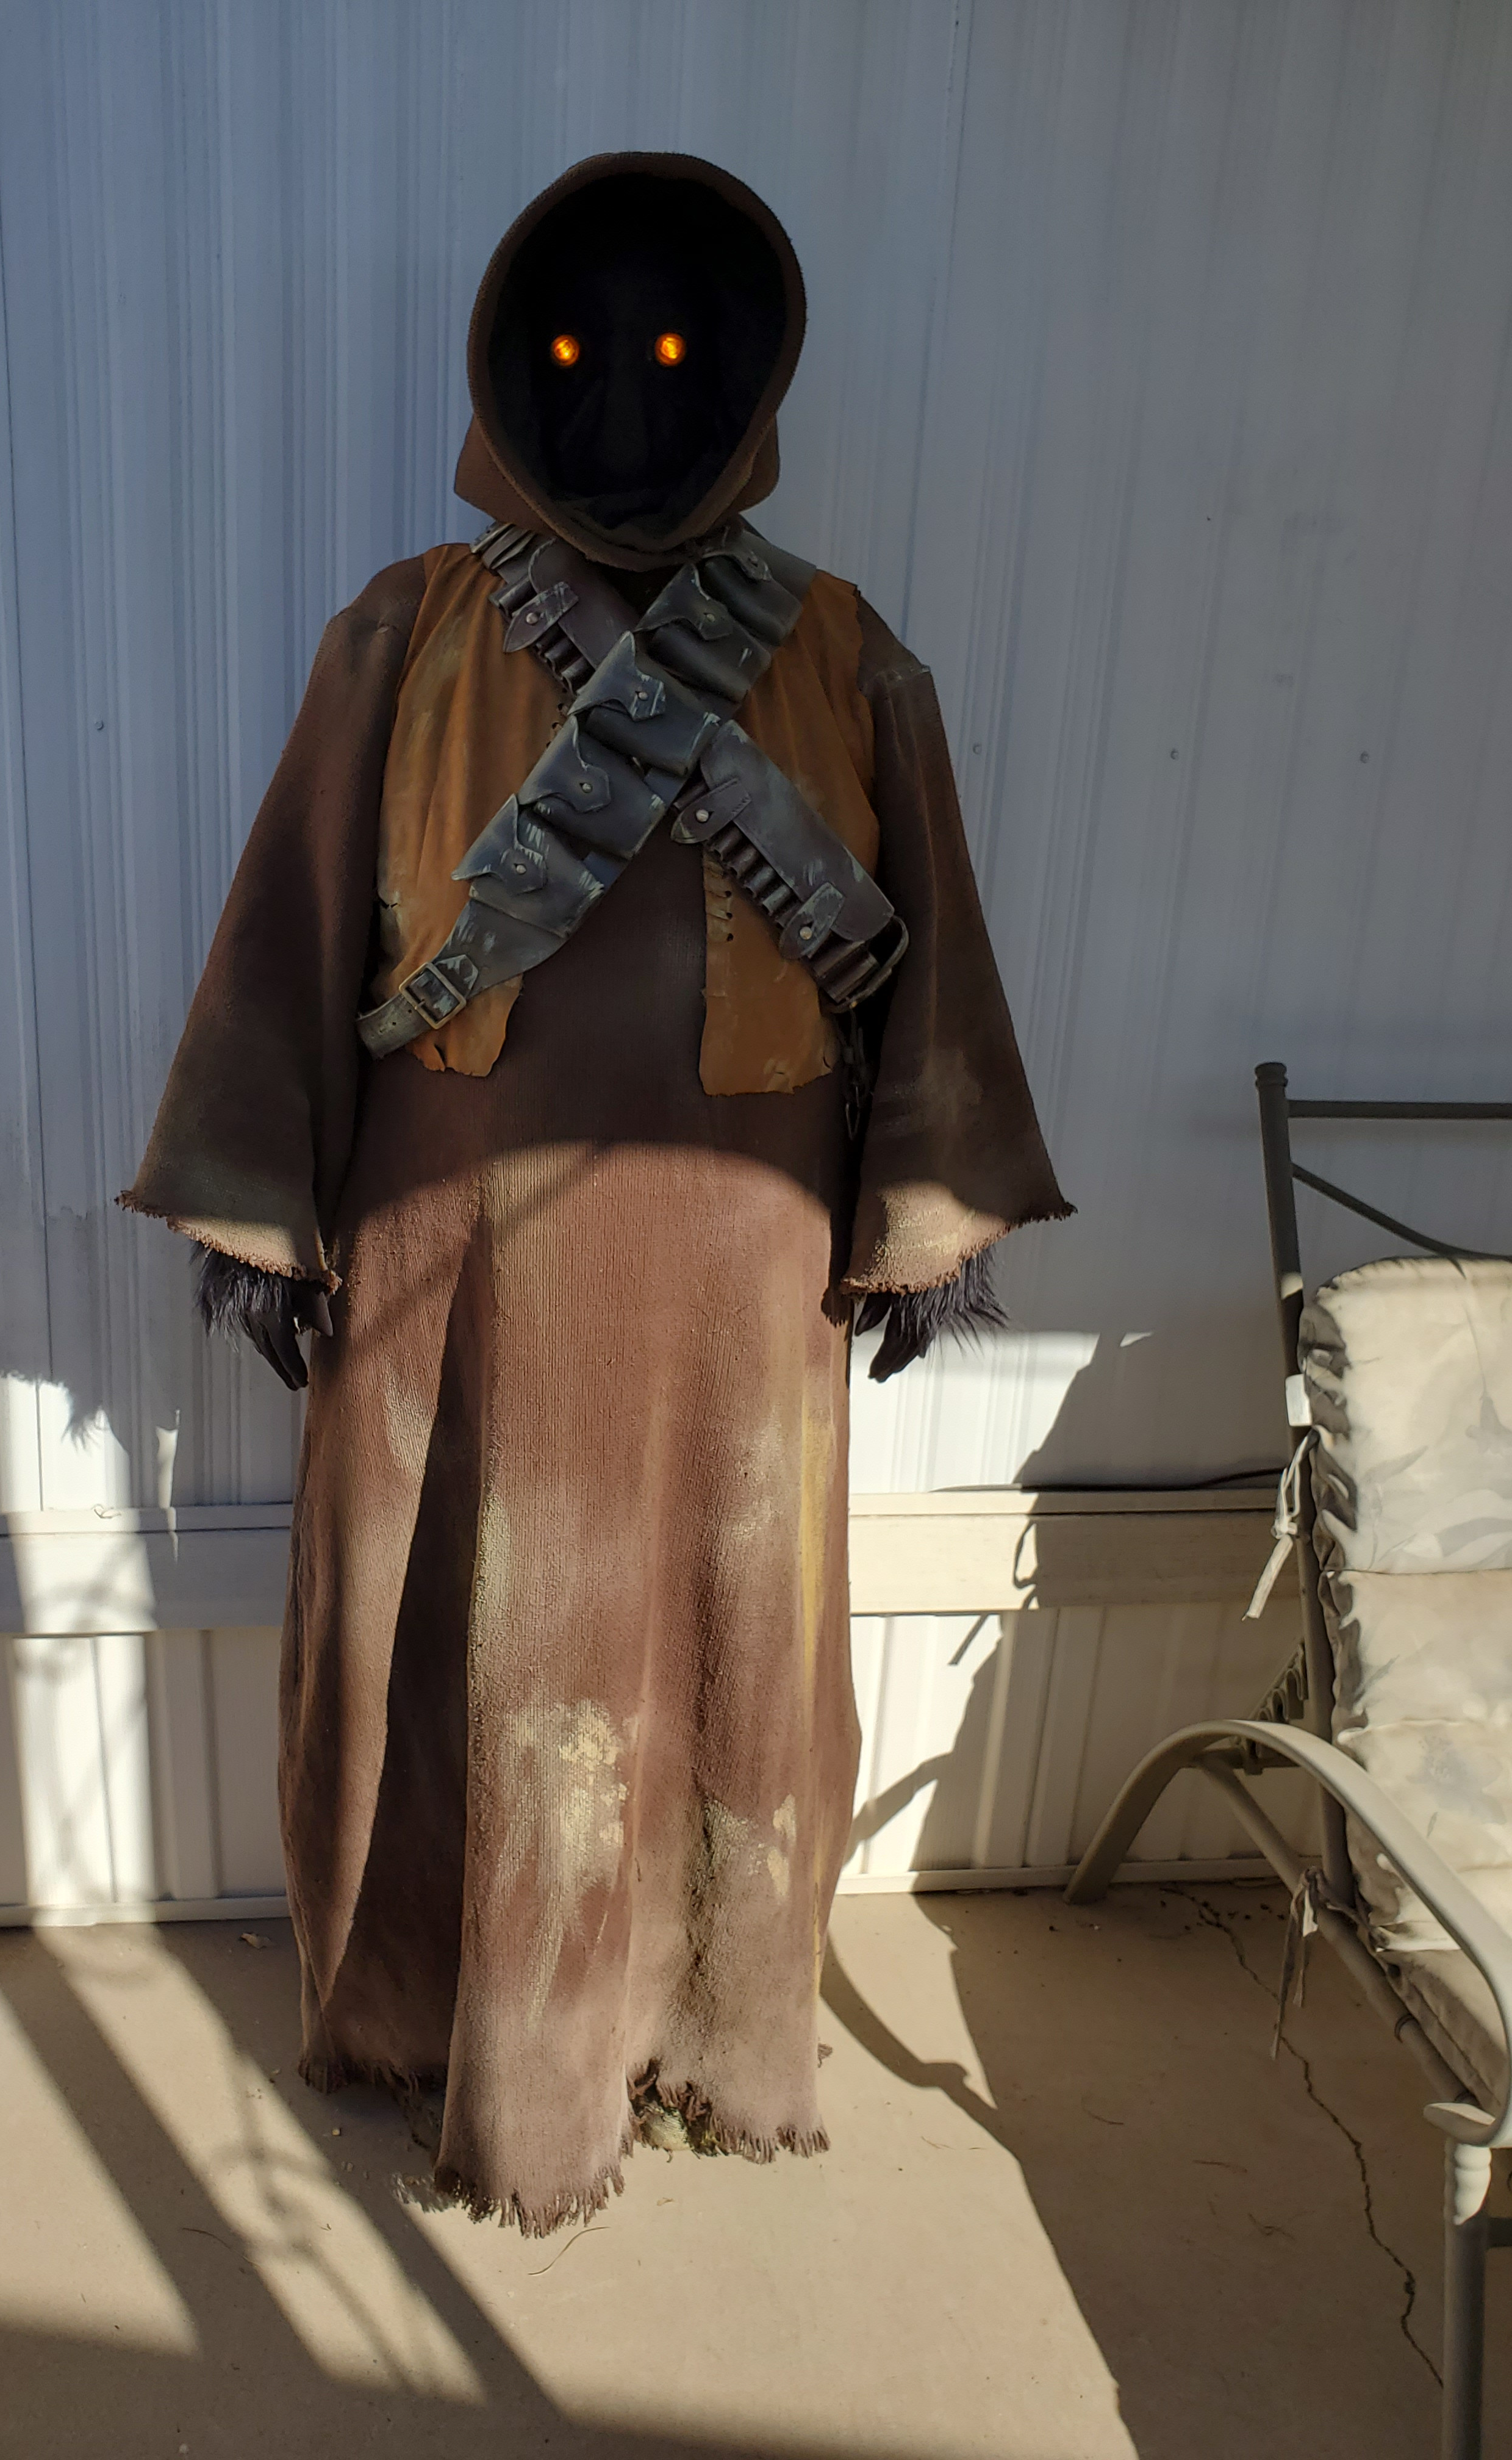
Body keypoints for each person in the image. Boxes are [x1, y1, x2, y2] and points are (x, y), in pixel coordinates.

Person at [124, 152, 1067, 2233]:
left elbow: (936, 952)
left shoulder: (845, 652)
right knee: (441, 1641)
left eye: (670, 353)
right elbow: (292, 926)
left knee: (730, 1641)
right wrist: (267, 1209)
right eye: (575, 352)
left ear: (747, 379)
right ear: (504, 374)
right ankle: (433, 2020)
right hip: (448, 1267)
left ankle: (709, 2027)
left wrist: (920, 1215)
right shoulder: (405, 631)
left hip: (745, 1274)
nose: (627, 394)